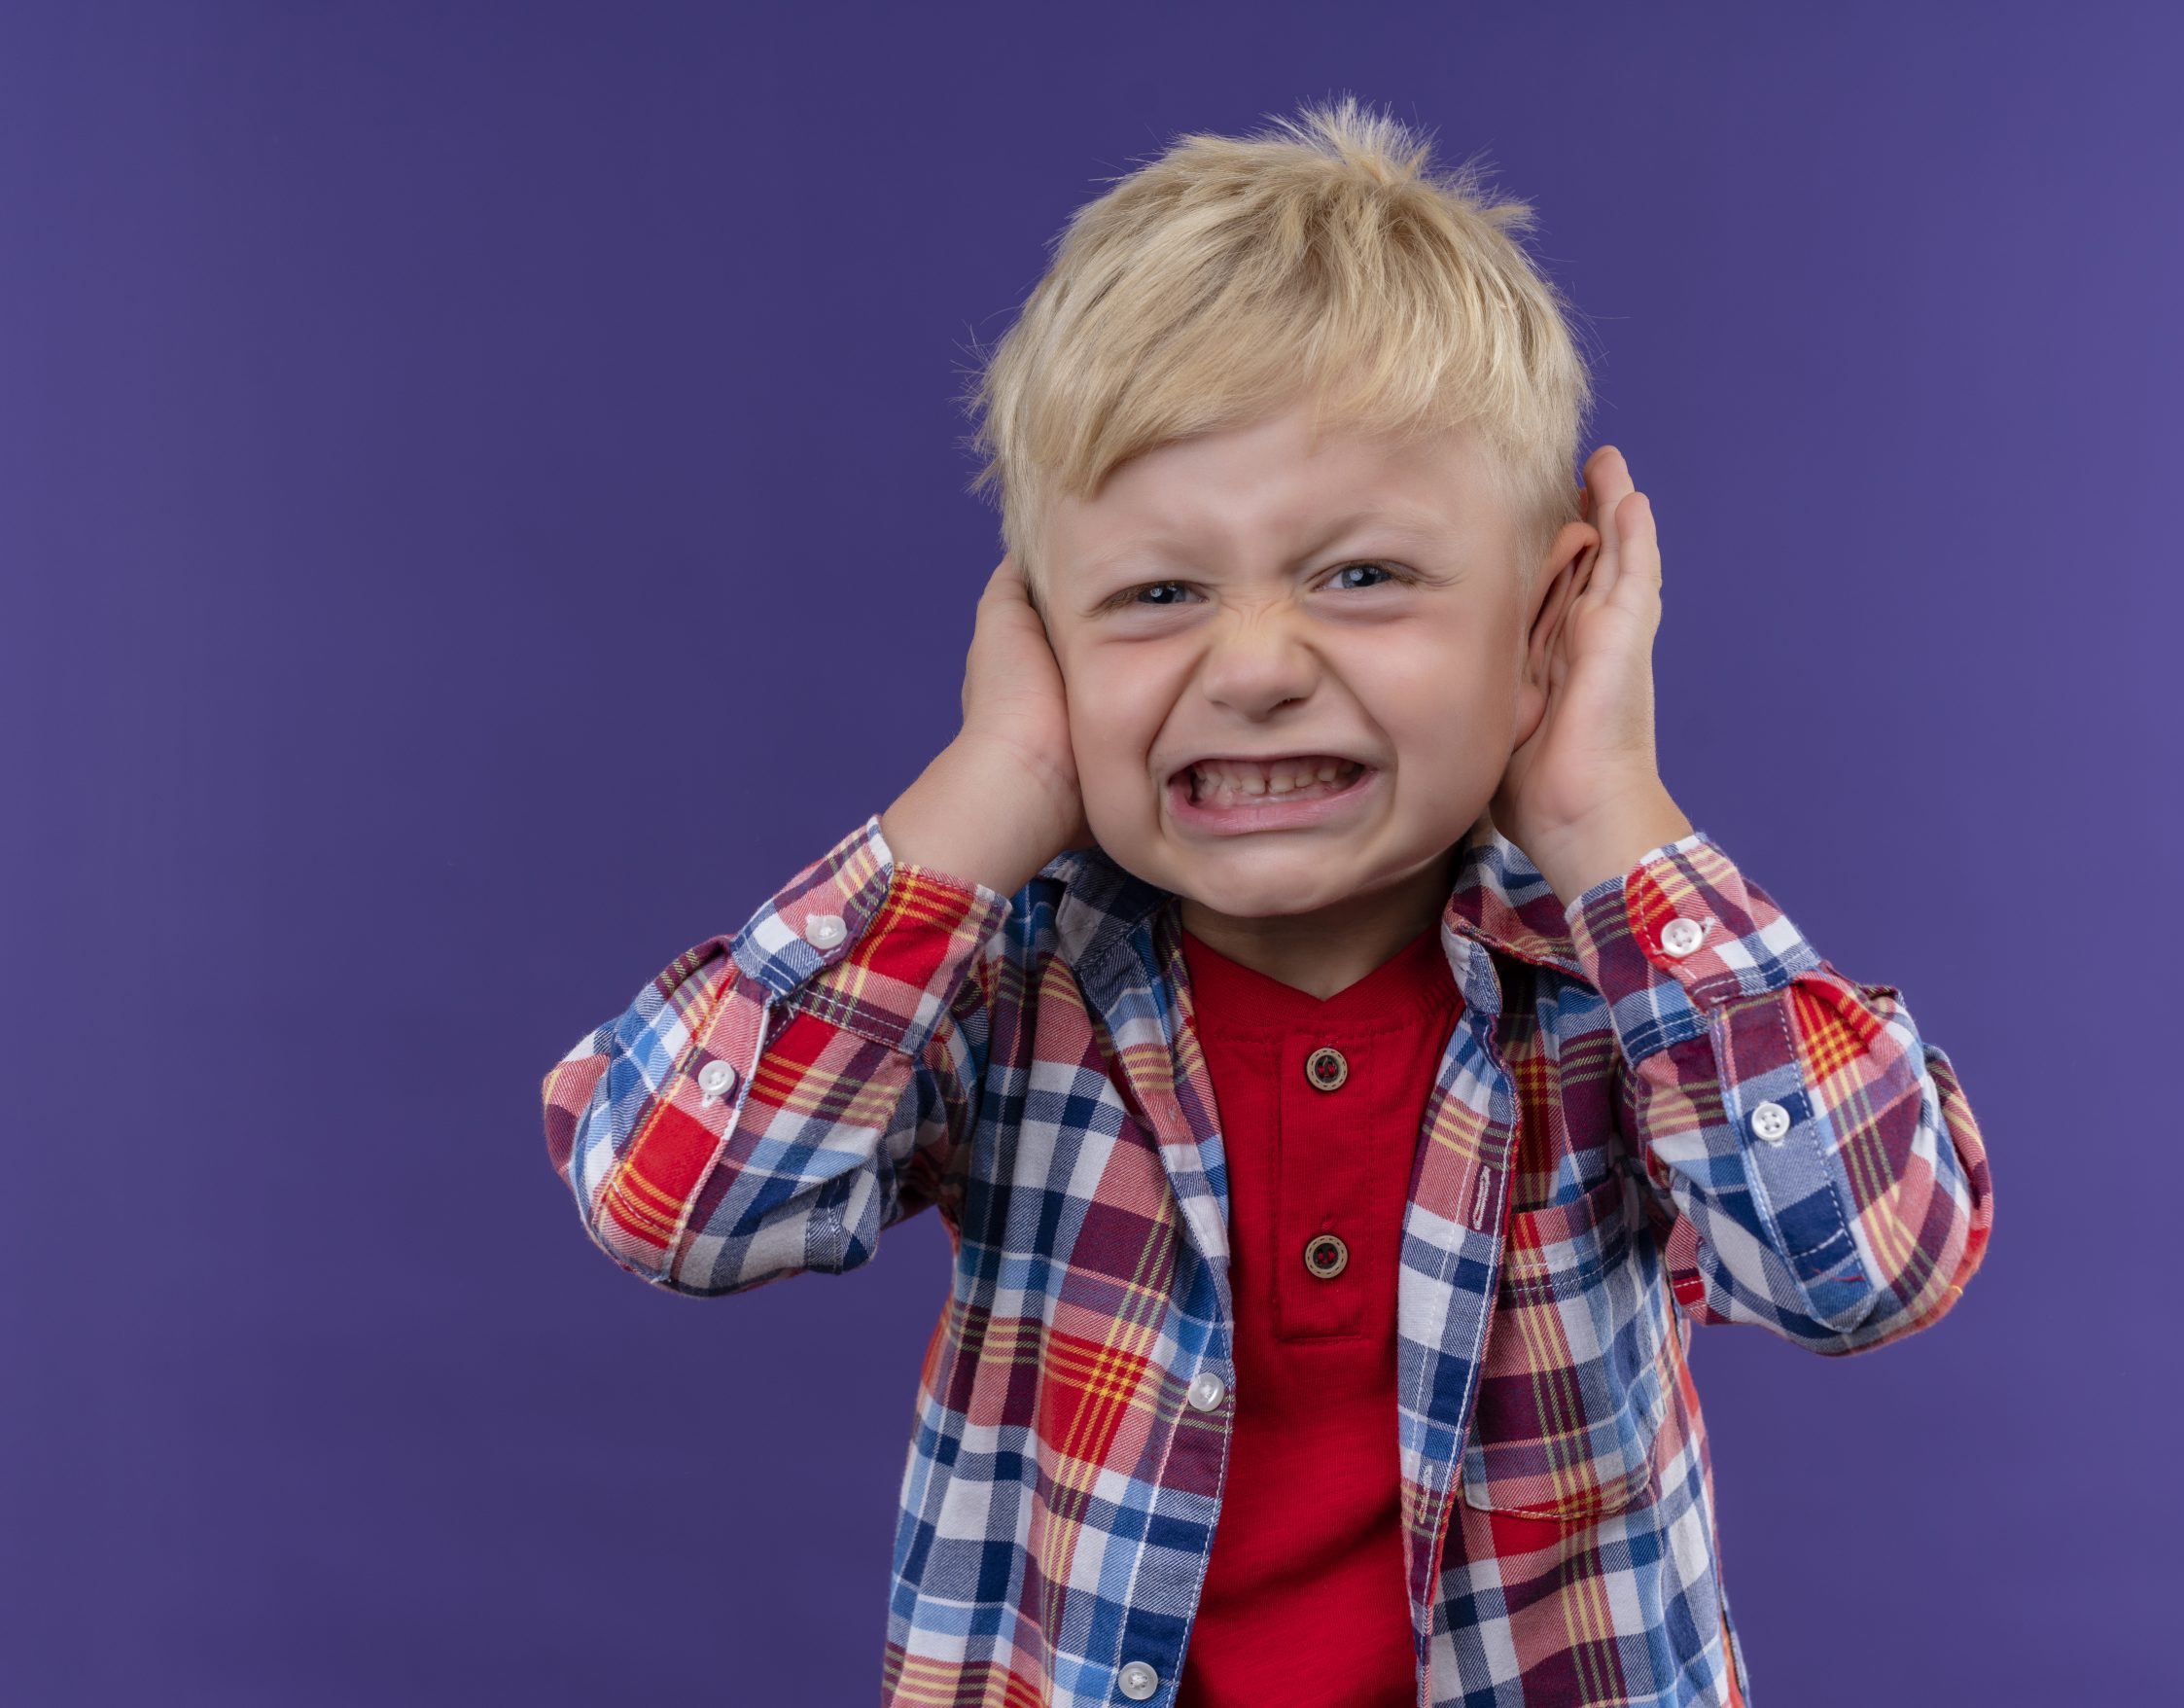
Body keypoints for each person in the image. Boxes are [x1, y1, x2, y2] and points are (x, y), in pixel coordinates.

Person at [539, 94, 1992, 1708]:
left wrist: (1604, 815)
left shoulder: (1615, 987)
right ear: (1038, 640)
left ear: (1548, 623)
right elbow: (671, 1197)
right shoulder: (1006, 978)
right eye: (1156, 594)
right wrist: (991, 784)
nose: (1252, 668)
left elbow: (1876, 1261)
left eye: (1362, 576)